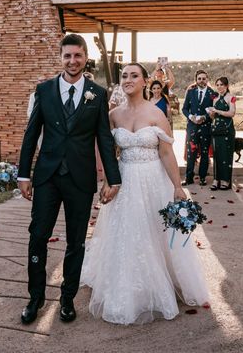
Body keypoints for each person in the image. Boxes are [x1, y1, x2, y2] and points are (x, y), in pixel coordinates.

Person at [81, 63, 210, 324]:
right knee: (126, 232)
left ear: (145, 81)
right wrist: (106, 179)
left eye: (134, 76)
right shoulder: (113, 115)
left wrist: (176, 186)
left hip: (153, 179)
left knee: (154, 231)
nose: (128, 79)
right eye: (124, 76)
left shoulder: (157, 114)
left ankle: (164, 282)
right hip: (124, 179)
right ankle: (127, 286)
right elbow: (108, 152)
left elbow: (166, 152)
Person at [18, 33, 121, 325]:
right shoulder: (44, 90)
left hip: (80, 179)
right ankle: (35, 298)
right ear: (61, 57)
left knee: (76, 242)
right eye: (67, 56)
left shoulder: (97, 94)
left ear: (86, 57)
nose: (72, 61)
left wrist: (112, 179)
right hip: (47, 177)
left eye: (77, 55)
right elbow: (30, 136)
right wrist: (24, 174)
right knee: (38, 236)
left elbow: (103, 138)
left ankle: (67, 299)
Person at [182, 70, 215, 186]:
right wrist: (191, 117)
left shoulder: (212, 93)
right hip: (192, 126)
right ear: (196, 80)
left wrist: (204, 117)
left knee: (205, 153)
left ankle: (202, 177)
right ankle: (189, 177)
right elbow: (184, 109)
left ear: (207, 79)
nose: (201, 80)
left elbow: (213, 110)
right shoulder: (191, 92)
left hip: (206, 127)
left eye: (204, 78)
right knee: (191, 152)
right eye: (199, 78)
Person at [208, 77, 236, 190]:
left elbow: (232, 113)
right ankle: (216, 179)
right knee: (217, 154)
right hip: (216, 128)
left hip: (227, 128)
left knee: (226, 154)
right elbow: (213, 116)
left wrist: (217, 111)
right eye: (217, 85)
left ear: (226, 86)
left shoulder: (231, 98)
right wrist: (211, 113)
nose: (219, 87)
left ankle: (225, 180)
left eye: (221, 85)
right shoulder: (215, 98)